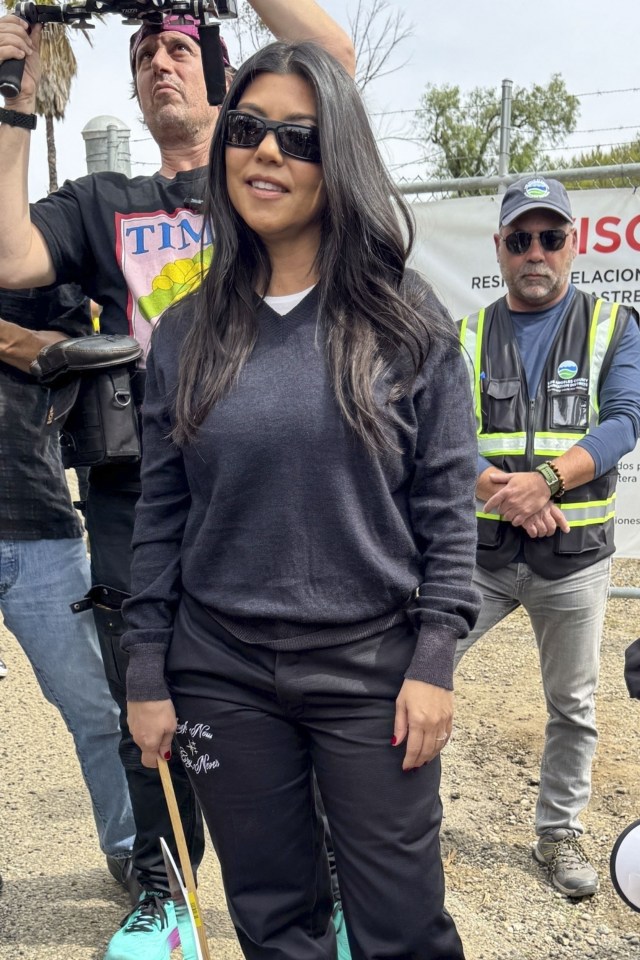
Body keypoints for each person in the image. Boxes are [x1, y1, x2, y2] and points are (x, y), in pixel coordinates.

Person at [0, 6, 355, 959]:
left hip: (273, 476)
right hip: (140, 487)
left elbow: (334, 61)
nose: (161, 61)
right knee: (141, 692)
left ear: (224, 74)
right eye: (145, 52)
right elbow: (7, 254)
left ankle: (323, 886)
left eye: (180, 47)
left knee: (300, 681)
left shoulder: (266, 172)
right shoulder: (103, 198)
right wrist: (14, 93)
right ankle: (167, 896)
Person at [121, 40, 481, 960]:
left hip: (373, 672)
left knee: (402, 925)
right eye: (247, 130)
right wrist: (147, 672)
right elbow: (160, 516)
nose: (267, 153)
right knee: (274, 921)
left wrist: (434, 658)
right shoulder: (183, 335)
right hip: (223, 674)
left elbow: (445, 505)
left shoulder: (406, 320)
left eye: (299, 137)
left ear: (341, 159)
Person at [456, 176, 640, 899]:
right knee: (414, 678)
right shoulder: (468, 334)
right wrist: (504, 493)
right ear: (500, 248)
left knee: (574, 707)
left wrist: (548, 482)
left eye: (551, 237)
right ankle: (399, 828)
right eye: (521, 238)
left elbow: (625, 419)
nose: (536, 252)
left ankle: (558, 832)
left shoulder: (614, 326)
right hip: (480, 558)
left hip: (573, 563)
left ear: (574, 244)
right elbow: (442, 434)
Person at [0, 284, 137, 897]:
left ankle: (134, 851)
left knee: (97, 706)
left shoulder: (30, 263)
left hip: (39, 525)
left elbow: (76, 350)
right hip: (39, 527)